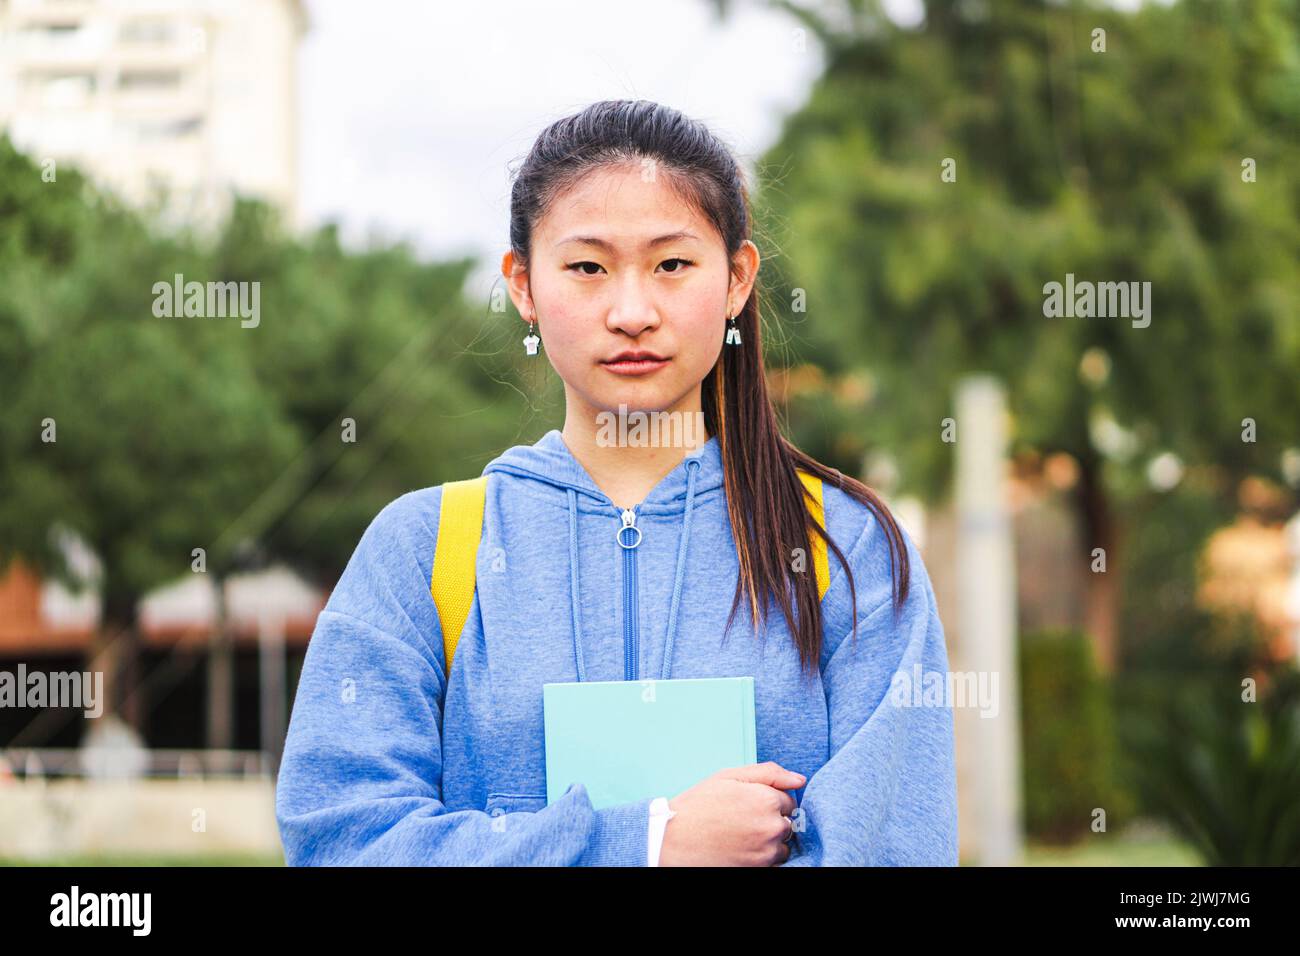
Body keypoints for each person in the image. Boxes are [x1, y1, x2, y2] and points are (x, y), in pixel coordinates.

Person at [275, 99, 958, 866]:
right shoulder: (422, 549)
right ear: (523, 285)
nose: (632, 312)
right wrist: (649, 841)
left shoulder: (848, 548)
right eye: (588, 268)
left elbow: (893, 849)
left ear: (736, 280)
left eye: (672, 265)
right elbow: (343, 840)